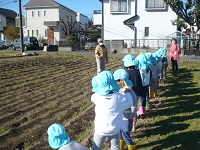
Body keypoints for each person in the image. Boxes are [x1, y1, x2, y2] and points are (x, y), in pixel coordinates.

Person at [91, 71, 133, 150]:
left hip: (100, 129)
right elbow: (129, 102)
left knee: (96, 147)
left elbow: (92, 98)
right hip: (114, 129)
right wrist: (127, 92)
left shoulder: (97, 96)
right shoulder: (118, 97)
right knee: (115, 146)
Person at [113, 69, 138, 150]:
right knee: (120, 133)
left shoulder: (129, 91)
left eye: (116, 81)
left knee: (125, 134)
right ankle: (121, 146)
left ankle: (132, 147)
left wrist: (132, 115)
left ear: (121, 81)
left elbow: (134, 104)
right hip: (119, 117)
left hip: (127, 117)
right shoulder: (117, 91)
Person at [122, 54, 142, 132]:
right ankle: (134, 126)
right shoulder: (137, 72)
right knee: (134, 110)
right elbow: (140, 84)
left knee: (127, 110)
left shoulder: (124, 73)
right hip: (136, 94)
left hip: (127, 94)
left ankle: (126, 125)